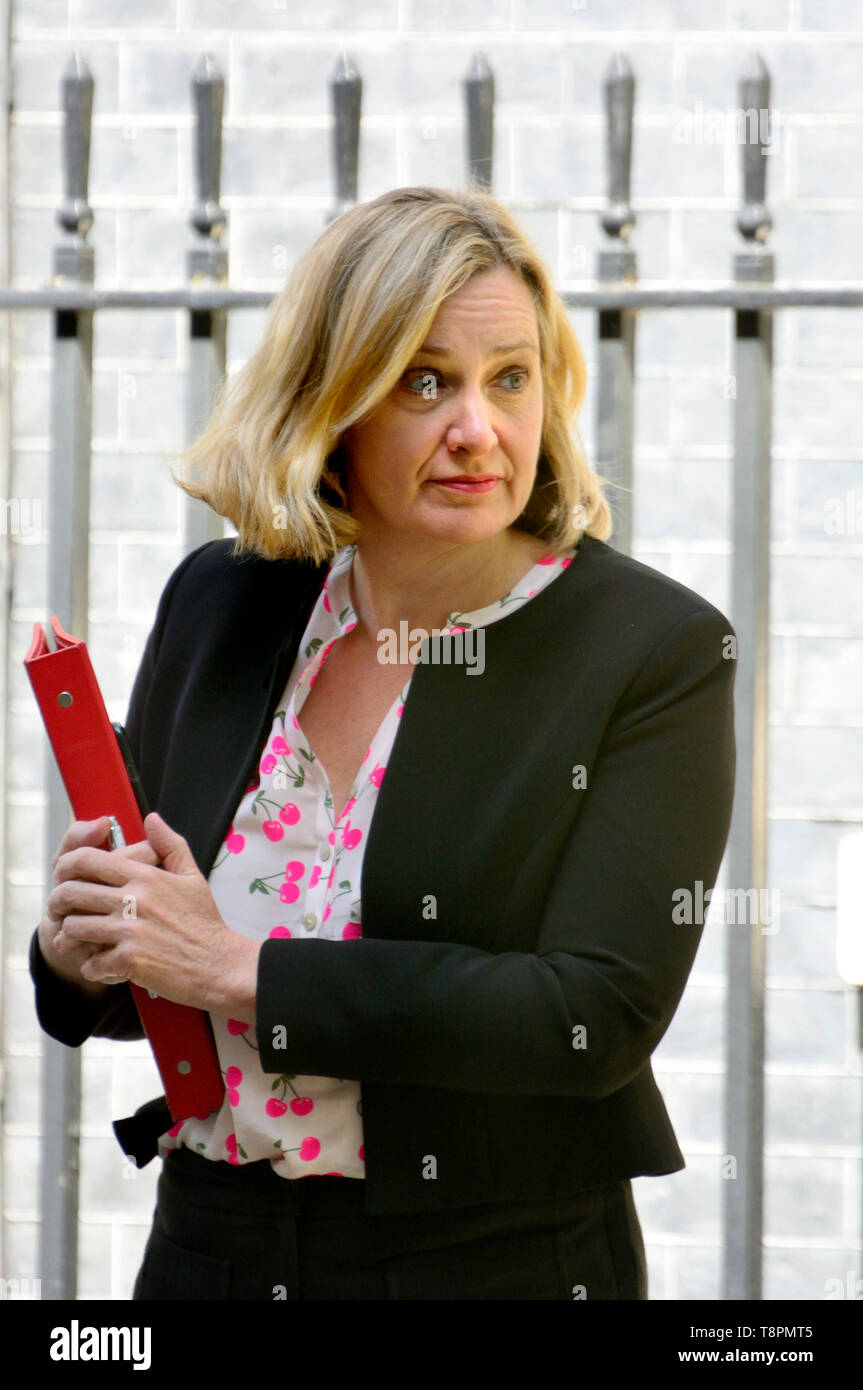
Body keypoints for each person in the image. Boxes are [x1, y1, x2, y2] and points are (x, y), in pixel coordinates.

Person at [30, 184, 736, 1301]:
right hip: (213, 1243)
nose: (478, 428)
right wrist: (86, 949)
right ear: (336, 401)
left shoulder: (651, 649)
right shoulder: (225, 602)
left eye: (509, 377)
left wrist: (240, 969)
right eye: (423, 381)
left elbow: (588, 1016)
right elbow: (163, 959)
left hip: (491, 1261)